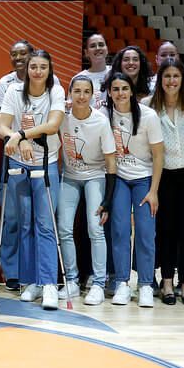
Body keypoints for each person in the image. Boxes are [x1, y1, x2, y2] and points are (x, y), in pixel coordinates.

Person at [0, 50, 65, 309]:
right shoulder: (14, 91)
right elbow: (2, 126)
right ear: (26, 69)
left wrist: (22, 135)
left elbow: (53, 125)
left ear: (49, 70)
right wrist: (16, 137)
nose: (37, 71)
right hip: (19, 164)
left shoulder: (55, 90)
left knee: (45, 224)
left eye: (43, 67)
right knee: (25, 223)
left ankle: (48, 284)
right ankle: (30, 282)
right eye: (33, 66)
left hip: (46, 164)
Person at [148, 59, 184, 306]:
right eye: (167, 76)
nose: (172, 81)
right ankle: (167, 282)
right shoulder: (149, 107)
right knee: (166, 231)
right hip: (165, 177)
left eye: (176, 76)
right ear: (160, 80)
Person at [105, 72, 164, 307]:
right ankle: (122, 283)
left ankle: (146, 285)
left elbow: (159, 156)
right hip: (118, 178)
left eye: (124, 88)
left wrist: (154, 191)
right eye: (115, 89)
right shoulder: (103, 115)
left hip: (144, 179)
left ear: (131, 91)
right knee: (119, 230)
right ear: (109, 92)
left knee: (145, 232)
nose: (120, 93)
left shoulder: (148, 116)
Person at [58, 76, 116, 306]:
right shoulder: (62, 118)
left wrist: (108, 199)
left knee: (95, 228)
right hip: (70, 177)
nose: (81, 97)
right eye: (77, 91)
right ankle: (71, 280)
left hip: (95, 176)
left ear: (93, 95)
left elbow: (111, 161)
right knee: (63, 227)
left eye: (86, 92)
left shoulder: (100, 121)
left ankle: (99, 284)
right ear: (69, 93)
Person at [0, 39, 36, 292]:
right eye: (14, 54)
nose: (19, 58)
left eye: (24, 53)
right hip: (12, 154)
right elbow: (3, 123)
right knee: (11, 217)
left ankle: (30, 271)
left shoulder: (45, 80)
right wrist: (19, 140)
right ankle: (11, 272)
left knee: (32, 219)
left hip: (40, 155)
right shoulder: (5, 84)